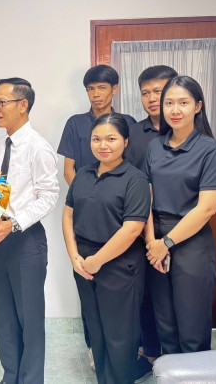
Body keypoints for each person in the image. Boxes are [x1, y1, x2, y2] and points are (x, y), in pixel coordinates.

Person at [57, 64, 136, 367]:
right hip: (85, 214)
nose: (96, 94)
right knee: (87, 287)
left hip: (120, 215)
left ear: (114, 89)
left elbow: (134, 167)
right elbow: (69, 170)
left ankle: (124, 354)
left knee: (120, 295)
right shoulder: (75, 123)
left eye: (102, 88)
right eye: (91, 89)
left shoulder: (127, 123)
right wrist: (88, 197)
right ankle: (94, 348)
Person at [62, 113, 150, 384]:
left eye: (111, 139)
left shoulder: (135, 179)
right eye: (96, 139)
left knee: (120, 335)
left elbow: (132, 228)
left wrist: (97, 260)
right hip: (83, 263)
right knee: (96, 331)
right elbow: (68, 214)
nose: (103, 145)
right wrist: (74, 256)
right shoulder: (83, 174)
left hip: (120, 266)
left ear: (125, 141)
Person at [143, 75, 216, 354]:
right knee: (164, 322)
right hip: (156, 236)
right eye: (169, 103)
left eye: (183, 103)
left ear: (198, 106)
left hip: (191, 240)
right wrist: (152, 243)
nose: (175, 110)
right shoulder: (155, 145)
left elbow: (207, 208)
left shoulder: (211, 150)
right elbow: (147, 198)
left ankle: (195, 372)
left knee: (192, 324)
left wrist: (166, 243)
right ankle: (169, 372)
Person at [0, 77, 60, 384]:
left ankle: (30, 380)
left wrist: (13, 223)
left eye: (2, 102)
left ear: (23, 105)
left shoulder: (38, 147)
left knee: (30, 319)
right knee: (3, 317)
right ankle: (10, 376)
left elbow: (49, 196)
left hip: (26, 239)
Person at [126, 65, 177, 379]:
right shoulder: (134, 132)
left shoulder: (188, 130)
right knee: (145, 293)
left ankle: (179, 359)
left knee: (177, 295)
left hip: (180, 227)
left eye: (159, 91)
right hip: (141, 224)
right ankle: (151, 352)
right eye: (146, 92)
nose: (152, 98)